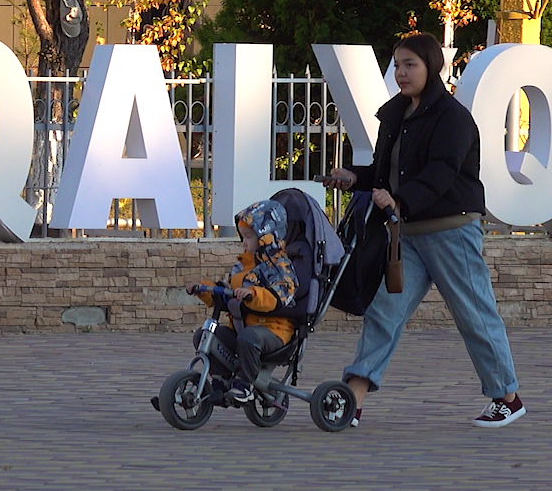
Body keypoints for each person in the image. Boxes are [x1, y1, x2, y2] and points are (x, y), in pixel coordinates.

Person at [321, 32, 525, 429]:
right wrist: (355, 177)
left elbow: (441, 173)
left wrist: (399, 201)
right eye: (397, 64)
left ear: (431, 67)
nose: (401, 72)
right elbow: (388, 173)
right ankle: (353, 398)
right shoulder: (395, 114)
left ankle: (507, 397)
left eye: (410, 64)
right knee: (384, 311)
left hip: (452, 233)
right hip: (408, 235)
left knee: (474, 314)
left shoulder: (452, 118)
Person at [184, 199, 300, 403]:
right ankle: (221, 380)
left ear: (265, 237)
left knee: (248, 338)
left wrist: (252, 295)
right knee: (205, 336)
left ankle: (244, 384)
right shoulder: (243, 265)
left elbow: (279, 296)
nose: (244, 243)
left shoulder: (280, 266)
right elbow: (227, 291)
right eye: (242, 236)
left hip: (275, 330)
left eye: (248, 237)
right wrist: (203, 289)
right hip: (243, 327)